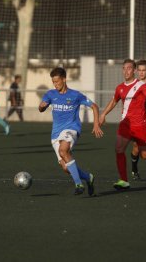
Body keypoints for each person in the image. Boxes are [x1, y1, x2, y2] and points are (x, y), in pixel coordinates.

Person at [39, 67, 103, 196]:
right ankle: (88, 177)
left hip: (72, 128)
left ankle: (78, 184)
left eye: (57, 81)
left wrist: (96, 124)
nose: (55, 84)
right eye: (53, 82)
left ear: (64, 79)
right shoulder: (50, 94)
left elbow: (94, 106)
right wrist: (42, 107)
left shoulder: (75, 95)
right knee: (65, 167)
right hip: (55, 134)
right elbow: (41, 107)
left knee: (63, 151)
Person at [99, 59, 146, 190]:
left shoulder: (141, 86)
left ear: (134, 70)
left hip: (140, 126)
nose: (126, 71)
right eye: (124, 68)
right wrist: (103, 114)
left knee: (145, 155)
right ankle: (124, 180)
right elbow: (114, 101)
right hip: (126, 124)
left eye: (129, 68)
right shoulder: (120, 88)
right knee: (118, 149)